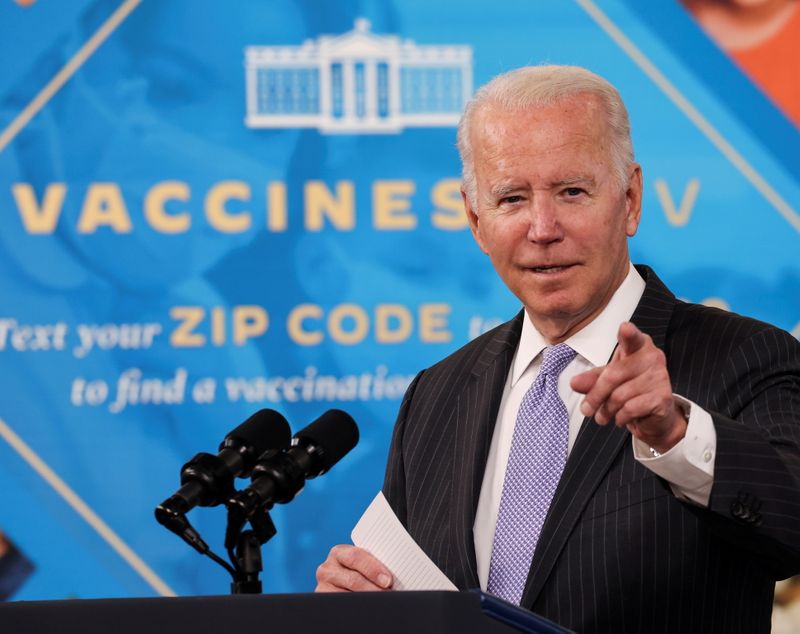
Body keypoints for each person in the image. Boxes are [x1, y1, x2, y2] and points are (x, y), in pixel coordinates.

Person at [314, 65, 800, 633]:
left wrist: (674, 434)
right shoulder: (436, 393)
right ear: (476, 219)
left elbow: (791, 528)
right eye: (512, 198)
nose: (542, 228)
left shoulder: (746, 355)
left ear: (630, 199)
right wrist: (364, 602)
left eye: (572, 191)